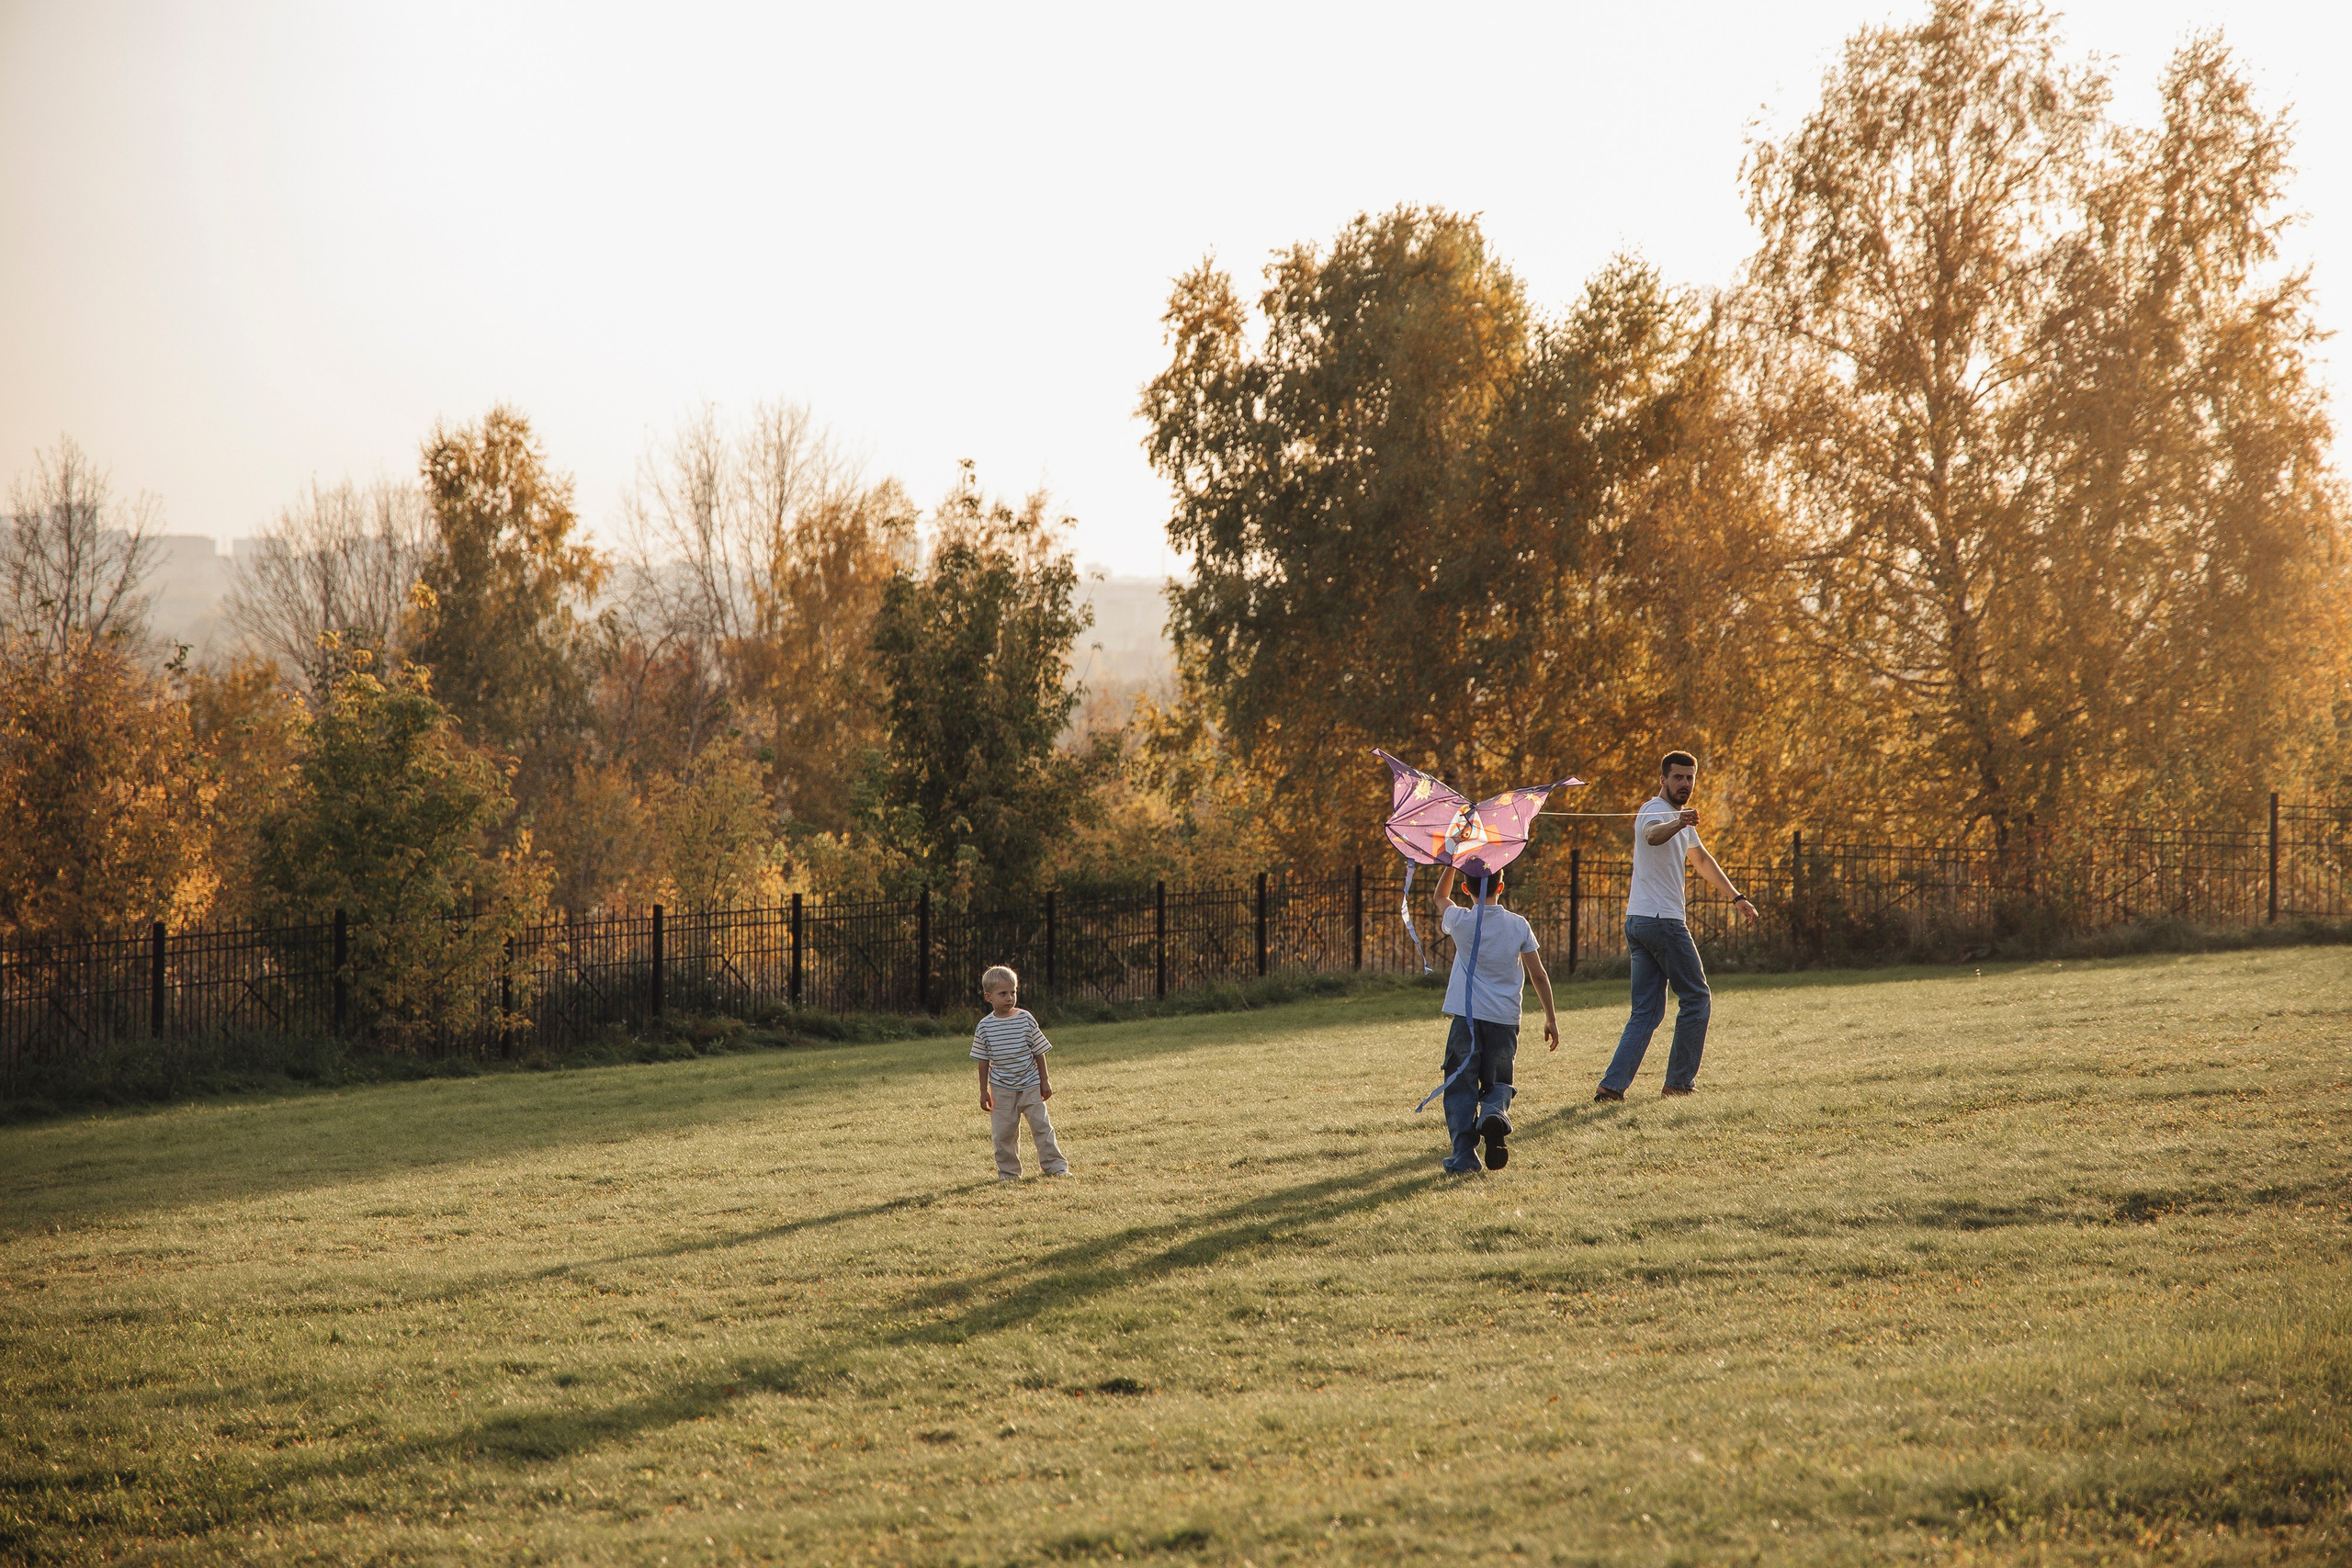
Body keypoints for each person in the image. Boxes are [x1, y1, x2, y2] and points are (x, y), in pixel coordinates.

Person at [1595, 750, 1758, 1101]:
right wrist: (1678, 822)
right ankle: (1679, 1083)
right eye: (1678, 778)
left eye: (1689, 778)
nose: (1685, 783)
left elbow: (1700, 859)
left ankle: (1611, 1087)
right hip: (1661, 922)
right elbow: (1653, 836)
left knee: (1647, 1012)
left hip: (1639, 922)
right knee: (1697, 997)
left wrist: (1737, 897)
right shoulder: (1652, 810)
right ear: (1663, 780)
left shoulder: (1680, 817)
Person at [1431, 863, 1558, 1173]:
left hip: (1467, 1019)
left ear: (1466, 889)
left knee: (1461, 1085)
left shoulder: (1460, 920)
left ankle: (1464, 1158)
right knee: (1499, 1081)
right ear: (1501, 887)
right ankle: (1493, 1114)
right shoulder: (1518, 925)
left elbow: (1439, 898)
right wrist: (1550, 1017)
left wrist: (1451, 862)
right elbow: (1538, 974)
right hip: (1505, 1020)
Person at [971, 964, 1070, 1181]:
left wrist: (1045, 1081)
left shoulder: (1025, 1019)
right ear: (989, 997)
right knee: (1004, 1135)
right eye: (1003, 993)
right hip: (1001, 1090)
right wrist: (983, 1091)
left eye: (1013, 992)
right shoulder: (984, 1027)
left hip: (1031, 1085)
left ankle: (1056, 1167)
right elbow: (982, 1061)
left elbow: (1039, 1052)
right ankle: (1009, 1174)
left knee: (1043, 1128)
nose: (1009, 998)